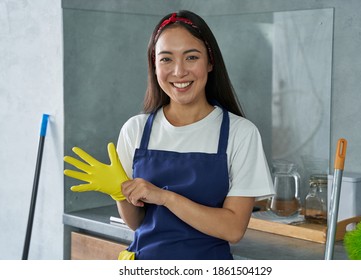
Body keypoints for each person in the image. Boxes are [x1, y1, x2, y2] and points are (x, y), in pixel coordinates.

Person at [64, 10, 274, 260]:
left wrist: (164, 197)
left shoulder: (240, 133)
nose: (179, 71)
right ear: (154, 65)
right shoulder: (136, 130)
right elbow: (137, 222)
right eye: (166, 59)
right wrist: (120, 193)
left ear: (210, 62)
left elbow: (233, 228)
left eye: (191, 57)